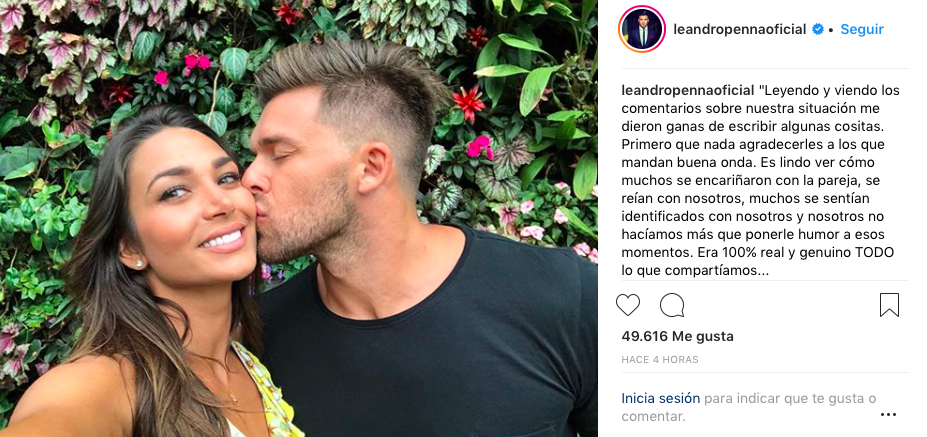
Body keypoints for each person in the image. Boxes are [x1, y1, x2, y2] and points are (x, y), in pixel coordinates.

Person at [244, 40, 598, 436]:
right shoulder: (259, 340)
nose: (249, 178)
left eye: (279, 154)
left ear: (371, 167)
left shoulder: (563, 297)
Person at [1, 105, 303, 437]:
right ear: (131, 247)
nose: (222, 203)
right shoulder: (110, 382)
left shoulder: (246, 354)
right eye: (175, 192)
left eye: (226, 178)